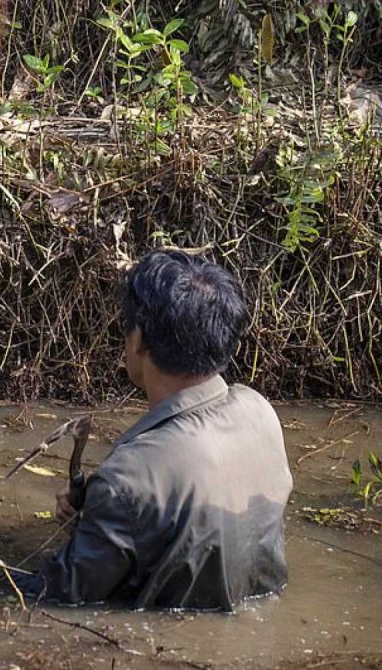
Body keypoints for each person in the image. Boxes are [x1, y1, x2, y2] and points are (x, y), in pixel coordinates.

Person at [16, 250, 293, 611]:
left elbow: (60, 596)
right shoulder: (260, 411)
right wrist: (96, 518)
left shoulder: (128, 479)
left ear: (138, 339)